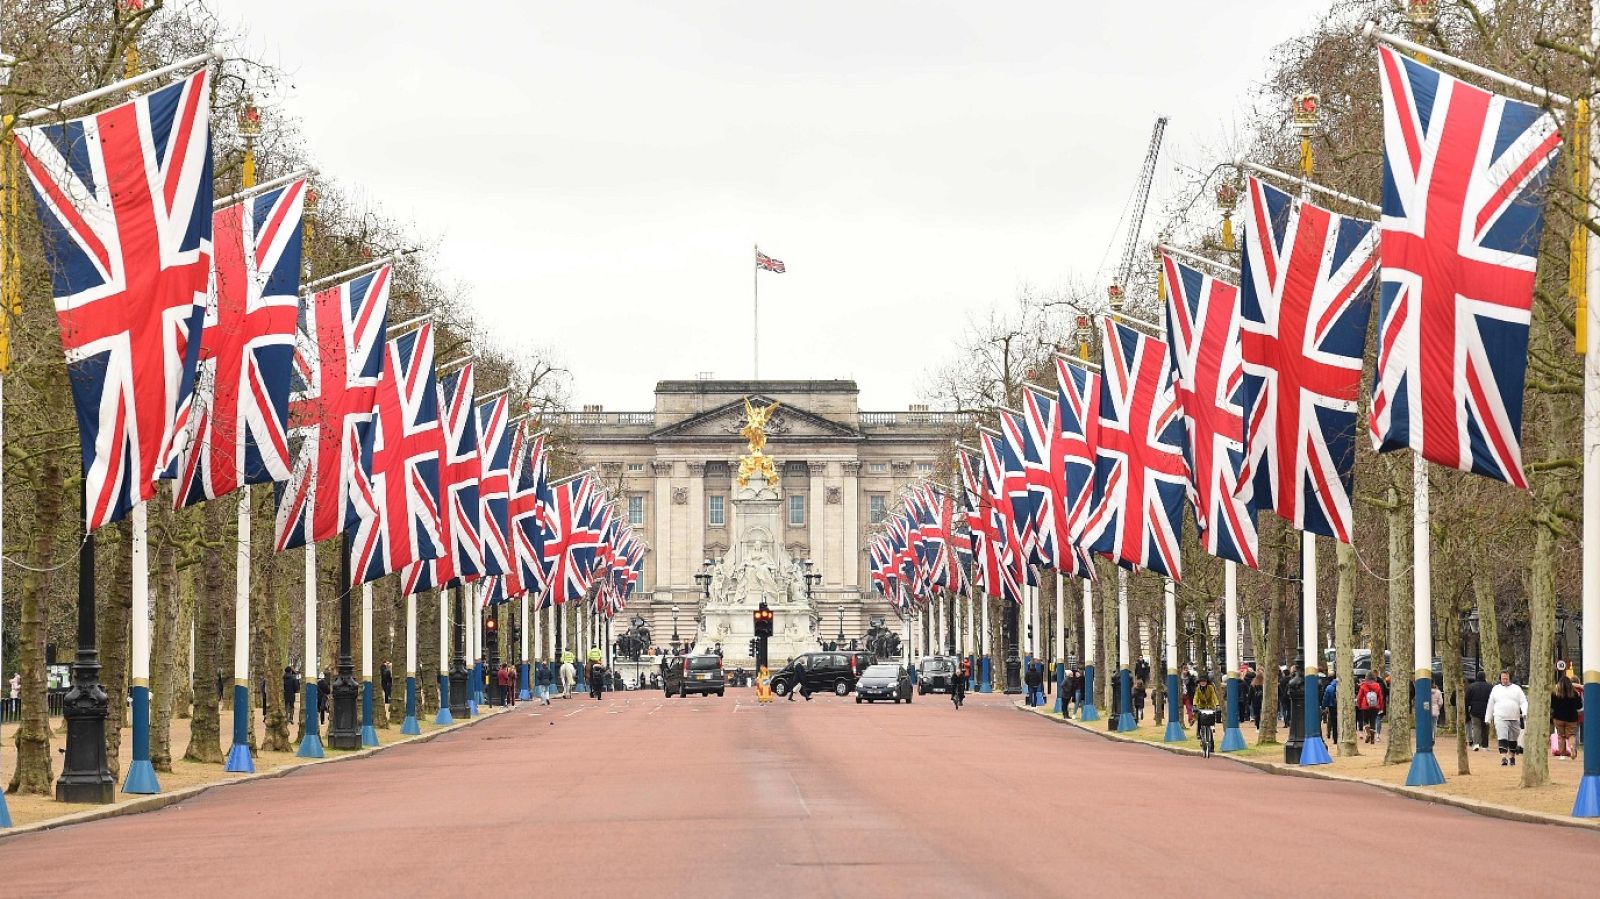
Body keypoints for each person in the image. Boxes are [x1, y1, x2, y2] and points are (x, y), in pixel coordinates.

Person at [1485, 669, 1528, 766]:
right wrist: (1488, 717)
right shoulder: (1496, 689)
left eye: (1506, 678)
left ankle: (1512, 756)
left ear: (1509, 678)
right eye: (1503, 678)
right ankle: (1503, 757)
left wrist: (1525, 711)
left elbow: (1523, 701)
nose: (1504, 680)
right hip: (1500, 716)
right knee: (1502, 736)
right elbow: (1490, 703)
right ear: (1500, 678)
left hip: (1514, 717)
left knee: (1513, 739)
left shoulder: (1517, 689)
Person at [1551, 662, 1581, 760]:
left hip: (1558, 717)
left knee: (1561, 736)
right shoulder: (1574, 694)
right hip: (1572, 718)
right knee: (1571, 735)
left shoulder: (1555, 694)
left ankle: (1563, 754)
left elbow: (1552, 705)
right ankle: (1572, 747)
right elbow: (1579, 706)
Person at [1466, 673, 1493, 750]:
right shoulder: (1490, 687)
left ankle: (1476, 743)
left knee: (1476, 726)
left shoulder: (1471, 687)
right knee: (1485, 727)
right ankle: (1485, 745)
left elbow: (1467, 699)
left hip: (1475, 710)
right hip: (1487, 710)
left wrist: (1468, 708)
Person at [1356, 672, 1385, 744]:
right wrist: (1381, 707)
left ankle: (1368, 733)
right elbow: (1380, 697)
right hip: (1375, 706)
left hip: (1365, 706)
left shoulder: (1363, 685)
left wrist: (1359, 705)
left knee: (1365, 721)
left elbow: (1359, 697)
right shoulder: (1377, 686)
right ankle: (1372, 739)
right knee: (1373, 721)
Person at [1192, 674, 1221, 741]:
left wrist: (1217, 705)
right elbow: (1195, 697)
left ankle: (1212, 728)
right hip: (1201, 706)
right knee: (1199, 717)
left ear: (1207, 682)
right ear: (1199, 682)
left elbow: (1214, 696)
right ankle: (1198, 732)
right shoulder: (1198, 688)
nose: (1202, 683)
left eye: (1204, 681)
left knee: (1212, 717)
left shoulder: (1210, 687)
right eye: (1201, 681)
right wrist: (1194, 705)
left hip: (1210, 705)